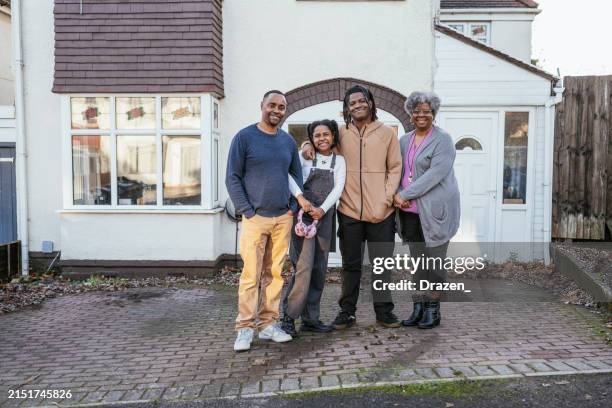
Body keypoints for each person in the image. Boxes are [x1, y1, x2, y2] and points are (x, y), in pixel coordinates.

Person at [301, 85, 403, 329]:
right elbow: (321, 140)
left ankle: (384, 312)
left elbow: (395, 168)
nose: (357, 105)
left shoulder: (387, 133)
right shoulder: (341, 133)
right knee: (351, 267)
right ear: (346, 109)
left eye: (361, 101)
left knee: (381, 265)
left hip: (382, 212)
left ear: (370, 103)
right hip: (348, 211)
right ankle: (347, 312)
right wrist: (307, 144)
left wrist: (386, 199)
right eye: (352, 103)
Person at [226, 90, 311, 351]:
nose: (276, 110)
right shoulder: (244, 137)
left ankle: (267, 325)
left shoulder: (286, 142)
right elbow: (233, 177)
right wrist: (247, 210)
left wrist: (291, 208)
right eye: (271, 105)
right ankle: (244, 328)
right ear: (261, 105)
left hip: (282, 219)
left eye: (281, 107)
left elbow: (295, 178)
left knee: (274, 275)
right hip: (255, 218)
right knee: (251, 275)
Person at [394, 91, 461, 329]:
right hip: (410, 213)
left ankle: (433, 310)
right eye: (417, 111)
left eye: (427, 111)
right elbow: (398, 170)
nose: (422, 115)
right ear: (410, 114)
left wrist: (404, 194)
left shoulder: (443, 139)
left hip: (434, 212)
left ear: (433, 113)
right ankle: (418, 307)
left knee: (434, 263)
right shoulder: (404, 140)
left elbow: (435, 175)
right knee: (418, 263)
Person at [281, 119, 346, 336]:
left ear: (333, 136)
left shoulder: (340, 161)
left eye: (326, 134)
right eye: (317, 135)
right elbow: (290, 176)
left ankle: (311, 318)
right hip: (303, 216)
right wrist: (301, 200)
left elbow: (338, 188)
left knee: (319, 268)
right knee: (303, 267)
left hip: (325, 217)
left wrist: (324, 209)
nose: (322, 139)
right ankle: (289, 317)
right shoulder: (304, 156)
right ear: (311, 139)